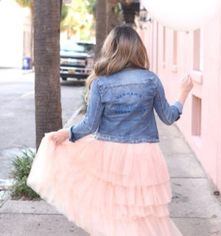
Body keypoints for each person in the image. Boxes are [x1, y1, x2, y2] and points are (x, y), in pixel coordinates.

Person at [27, 24, 193, 236]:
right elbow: (169, 117)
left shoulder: (101, 83)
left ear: (111, 48)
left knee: (114, 215)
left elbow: (90, 125)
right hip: (145, 156)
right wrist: (184, 93)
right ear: (137, 49)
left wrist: (68, 133)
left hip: (109, 157)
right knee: (142, 216)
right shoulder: (150, 80)